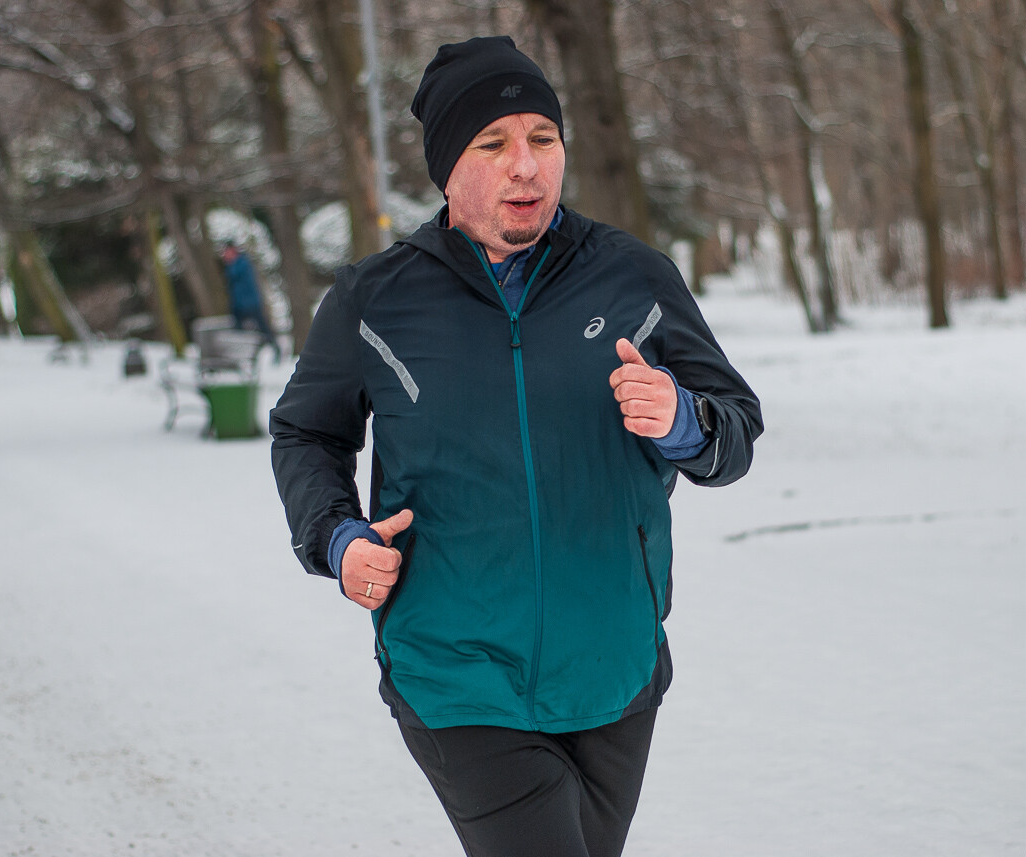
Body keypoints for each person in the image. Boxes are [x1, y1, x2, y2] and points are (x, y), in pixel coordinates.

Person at [270, 36, 762, 857]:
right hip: (455, 671)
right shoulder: (376, 298)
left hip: (615, 669)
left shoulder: (634, 278)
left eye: (543, 138)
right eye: (493, 144)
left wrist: (683, 417)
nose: (525, 166)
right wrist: (336, 535)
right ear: (447, 170)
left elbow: (734, 427)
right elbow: (306, 430)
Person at [220, 241, 281, 362]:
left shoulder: (241, 264)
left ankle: (275, 349)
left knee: (262, 328)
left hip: (249, 303)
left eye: (227, 252)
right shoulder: (235, 265)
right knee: (239, 332)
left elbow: (237, 279)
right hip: (239, 304)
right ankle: (243, 357)